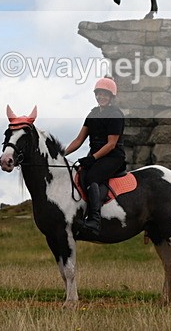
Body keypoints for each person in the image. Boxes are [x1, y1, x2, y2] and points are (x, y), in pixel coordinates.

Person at [64, 77, 125, 237]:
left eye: (104, 94)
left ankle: (95, 221)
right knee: (79, 175)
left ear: (111, 96)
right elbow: (78, 140)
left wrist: (93, 158)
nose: (101, 97)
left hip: (113, 157)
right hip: (96, 156)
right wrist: (61, 154)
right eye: (98, 94)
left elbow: (111, 144)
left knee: (91, 177)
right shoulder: (92, 114)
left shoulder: (115, 114)